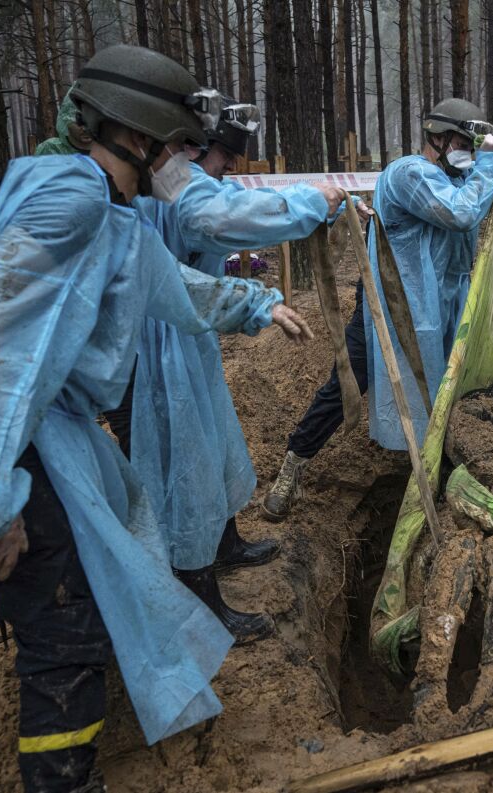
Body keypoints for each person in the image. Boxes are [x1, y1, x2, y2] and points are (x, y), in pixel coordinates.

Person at [0, 45, 313, 792]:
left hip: (12, 423)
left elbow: (176, 287)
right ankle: (63, 779)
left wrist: (256, 304)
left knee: (86, 576)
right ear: (146, 139)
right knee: (64, 628)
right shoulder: (76, 199)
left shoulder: (106, 211)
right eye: (180, 149)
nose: (186, 165)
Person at [262, 98, 493, 520]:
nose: (469, 153)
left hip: (447, 304)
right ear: (437, 137)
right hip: (390, 306)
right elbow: (459, 212)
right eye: (462, 142)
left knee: (450, 386)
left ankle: (438, 469)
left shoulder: (465, 174)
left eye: (473, 147)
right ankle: (293, 465)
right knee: (348, 381)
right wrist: (491, 163)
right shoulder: (408, 174)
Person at [109, 99, 355, 643]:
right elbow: (225, 217)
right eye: (222, 156)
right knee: (184, 462)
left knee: (214, 441)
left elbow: (231, 203)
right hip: (157, 347)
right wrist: (311, 203)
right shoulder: (178, 190)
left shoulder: (177, 181)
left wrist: (318, 206)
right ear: (190, 148)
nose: (227, 170)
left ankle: (223, 544)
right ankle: (197, 592)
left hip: (187, 334)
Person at [34, 88, 94, 155]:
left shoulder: (105, 152)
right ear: (66, 121)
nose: (85, 128)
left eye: (91, 122)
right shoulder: (51, 150)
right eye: (79, 122)